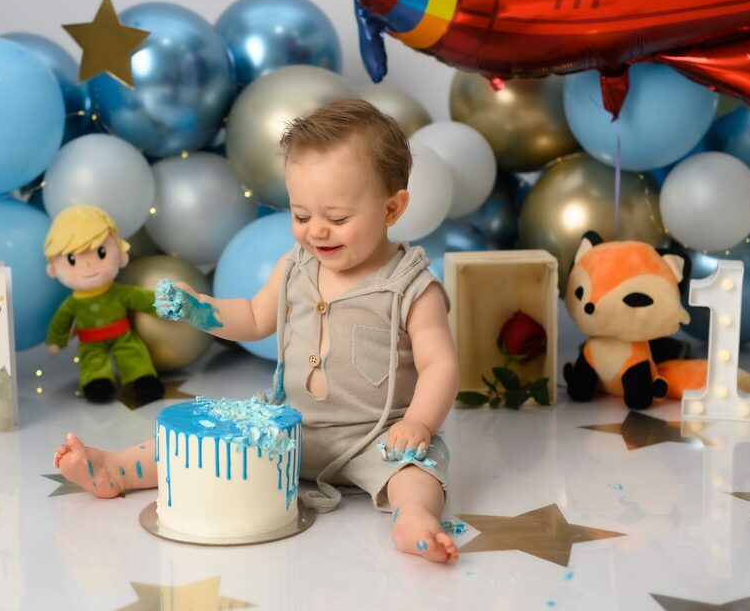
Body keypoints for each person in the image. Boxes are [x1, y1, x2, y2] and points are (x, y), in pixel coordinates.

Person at [53, 99, 460, 563]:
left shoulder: (412, 287)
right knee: (206, 443)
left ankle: (414, 518)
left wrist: (418, 423)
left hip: (379, 437)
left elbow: (439, 364)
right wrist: (199, 310)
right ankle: (117, 468)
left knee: (418, 471)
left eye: (337, 219)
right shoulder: (295, 267)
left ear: (392, 208)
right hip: (290, 429)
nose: (317, 232)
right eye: (301, 216)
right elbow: (251, 316)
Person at [44, 204, 164, 404]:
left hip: (122, 335)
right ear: (53, 269)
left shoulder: (118, 292)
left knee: (133, 355)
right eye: (72, 259)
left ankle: (143, 379)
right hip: (90, 342)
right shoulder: (72, 304)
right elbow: (61, 322)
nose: (88, 264)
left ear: (120, 255)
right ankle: (96, 382)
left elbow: (142, 299)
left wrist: (165, 306)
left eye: (101, 252)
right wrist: (56, 340)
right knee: (92, 362)